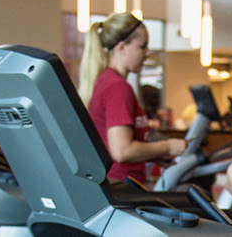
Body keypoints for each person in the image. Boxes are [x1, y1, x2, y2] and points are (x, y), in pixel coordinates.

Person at [77, 12, 186, 182]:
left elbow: (114, 146)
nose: (148, 52)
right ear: (121, 47)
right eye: (142, 46)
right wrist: (168, 146)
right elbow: (122, 151)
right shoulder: (118, 87)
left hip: (119, 183)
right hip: (121, 186)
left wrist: (153, 155)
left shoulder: (107, 81)